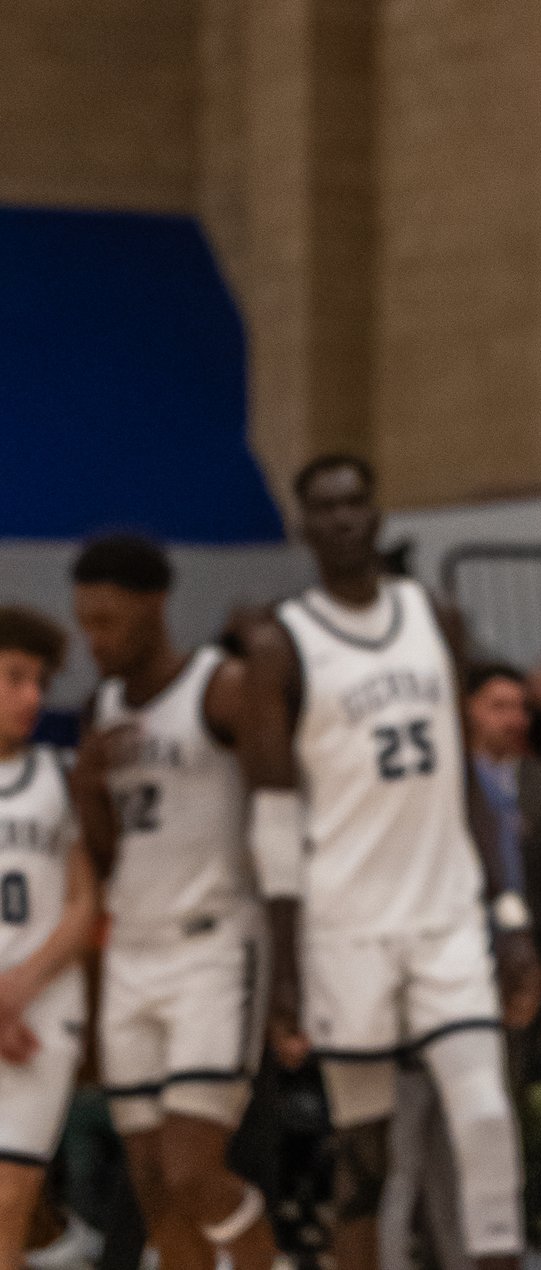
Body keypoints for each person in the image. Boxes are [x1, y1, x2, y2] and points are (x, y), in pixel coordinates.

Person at [236, 453, 530, 1270]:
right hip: (345, 923)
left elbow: (465, 778)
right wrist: (285, 963)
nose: (340, 520)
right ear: (303, 528)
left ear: (377, 513)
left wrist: (508, 915)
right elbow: (272, 815)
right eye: (322, 508)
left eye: (354, 503)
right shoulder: (280, 644)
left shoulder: (433, 615)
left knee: (484, 1114)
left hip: (443, 915)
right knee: (363, 1152)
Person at [66, 534, 274, 1270]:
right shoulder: (104, 705)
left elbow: (282, 803)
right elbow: (104, 855)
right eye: (85, 623)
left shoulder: (221, 687)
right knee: (153, 1182)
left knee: (194, 1169)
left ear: (156, 606)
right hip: (133, 950)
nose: (93, 640)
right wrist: (87, 788)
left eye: (108, 622)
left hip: (213, 946)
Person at [0, 606, 100, 1270]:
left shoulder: (56, 778)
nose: (33, 696)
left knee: (11, 1199)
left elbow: (84, 900)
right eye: (14, 678)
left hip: (40, 1012)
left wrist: (20, 989)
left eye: (39, 681)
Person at [465, 663, 541, 990]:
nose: (514, 720)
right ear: (468, 709)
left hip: (535, 950)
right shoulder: (454, 784)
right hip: (471, 951)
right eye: (499, 707)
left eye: (521, 709)